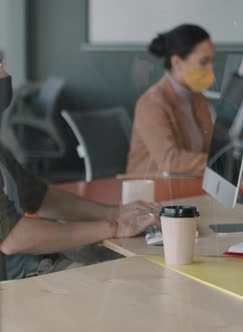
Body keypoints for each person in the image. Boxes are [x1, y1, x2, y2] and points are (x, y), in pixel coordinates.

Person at [0, 62, 158, 280]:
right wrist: (113, 227)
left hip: (38, 267)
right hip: (16, 288)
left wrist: (114, 212)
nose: (6, 74)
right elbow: (14, 238)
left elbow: (42, 198)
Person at [127, 24, 216, 174]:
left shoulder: (198, 98)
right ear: (177, 63)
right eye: (203, 62)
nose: (211, 69)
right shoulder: (151, 103)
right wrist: (225, 163)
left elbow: (209, 150)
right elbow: (170, 160)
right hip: (152, 191)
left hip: (187, 185)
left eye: (211, 61)